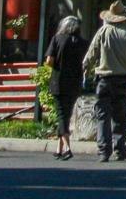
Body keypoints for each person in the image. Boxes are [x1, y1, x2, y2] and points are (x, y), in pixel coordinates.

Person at [80, 0, 126, 162]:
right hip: (122, 79)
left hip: (104, 79)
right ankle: (120, 149)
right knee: (120, 115)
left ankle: (104, 150)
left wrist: (85, 70)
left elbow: (90, 55)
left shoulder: (103, 32)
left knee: (102, 115)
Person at [43, 14, 88, 160]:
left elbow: (49, 61)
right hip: (75, 83)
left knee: (61, 115)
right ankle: (59, 148)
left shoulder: (57, 39)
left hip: (59, 81)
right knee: (66, 114)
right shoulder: (82, 43)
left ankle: (67, 148)